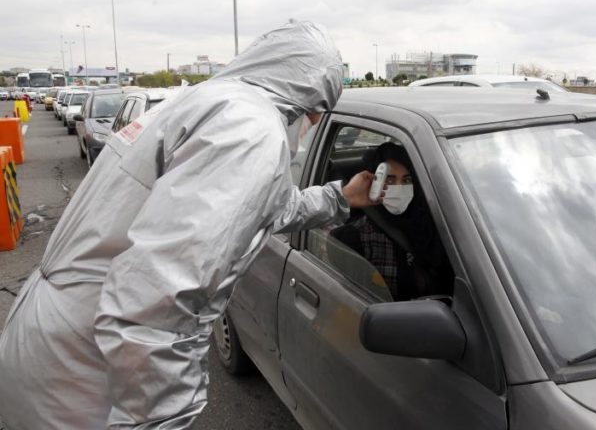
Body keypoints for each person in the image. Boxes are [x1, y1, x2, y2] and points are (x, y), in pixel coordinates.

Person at [0, 21, 377, 429]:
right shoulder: (249, 129)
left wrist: (340, 197)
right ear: (305, 97)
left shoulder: (203, 102)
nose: (315, 121)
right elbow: (157, 301)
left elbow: (258, 208)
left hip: (52, 338)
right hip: (84, 372)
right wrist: (163, 420)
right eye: (318, 109)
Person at [331, 142, 453, 301]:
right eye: (389, 181)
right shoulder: (356, 237)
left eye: (406, 180)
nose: (399, 188)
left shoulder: (437, 224)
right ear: (374, 184)